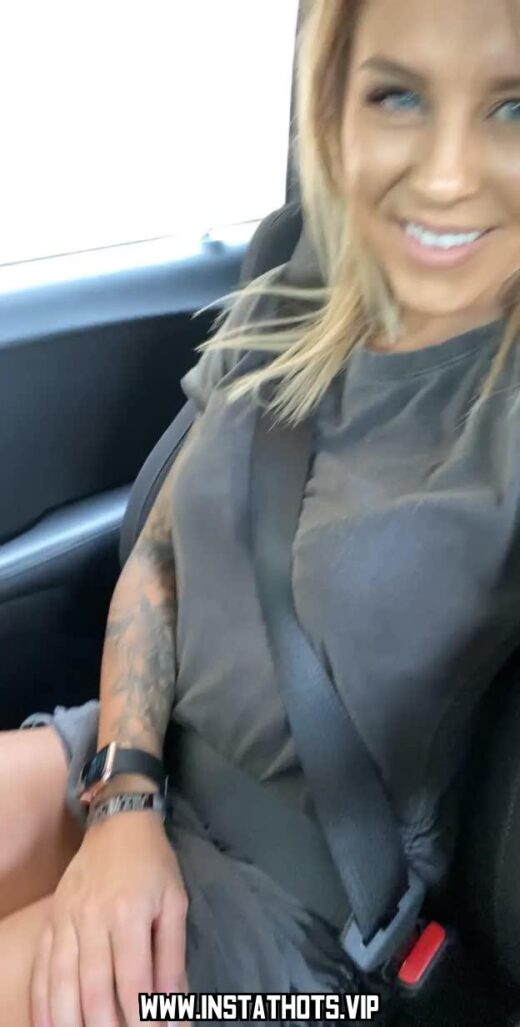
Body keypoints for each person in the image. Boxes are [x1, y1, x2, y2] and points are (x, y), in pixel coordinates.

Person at [2, 0, 520, 1024]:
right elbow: (159, 557)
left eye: (513, 108)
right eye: (398, 96)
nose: (446, 173)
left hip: (300, 925)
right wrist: (124, 800)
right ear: (333, 108)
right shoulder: (292, 284)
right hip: (128, 760)